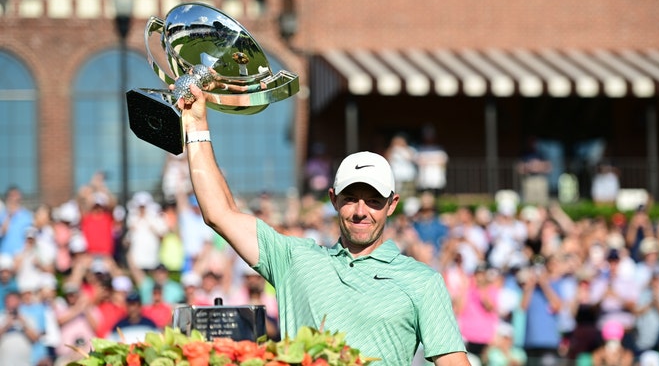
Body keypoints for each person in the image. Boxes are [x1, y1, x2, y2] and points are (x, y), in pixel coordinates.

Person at [173, 83, 470, 365]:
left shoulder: (422, 281)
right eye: (351, 198)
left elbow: (454, 362)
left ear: (392, 204)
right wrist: (197, 125)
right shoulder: (295, 260)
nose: (361, 211)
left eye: (374, 200)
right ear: (333, 200)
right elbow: (219, 213)